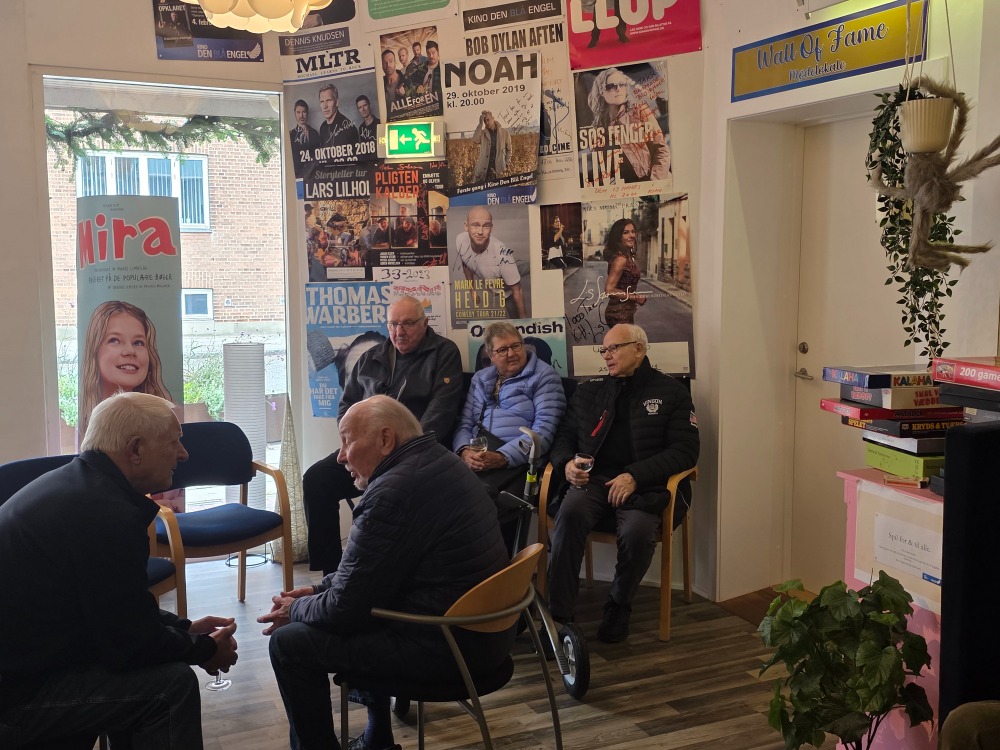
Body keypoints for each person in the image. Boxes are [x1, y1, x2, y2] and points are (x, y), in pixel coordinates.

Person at [261, 395, 511, 750]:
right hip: (484, 636)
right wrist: (317, 590)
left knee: (289, 643)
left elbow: (344, 609)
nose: (340, 456)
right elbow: (374, 569)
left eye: (347, 441)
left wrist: (295, 609)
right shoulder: (439, 461)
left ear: (385, 439)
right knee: (365, 604)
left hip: (451, 649)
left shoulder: (393, 492)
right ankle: (377, 738)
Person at [0, 392, 238, 748]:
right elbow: (128, 644)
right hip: (17, 701)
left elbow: (115, 609)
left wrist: (184, 629)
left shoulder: (79, 488)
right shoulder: (105, 514)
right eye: (174, 442)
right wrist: (204, 649)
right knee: (170, 687)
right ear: (135, 449)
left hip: (25, 671)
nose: (184, 454)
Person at [546, 324, 699, 642]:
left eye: (614, 348)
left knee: (637, 531)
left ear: (639, 349)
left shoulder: (672, 392)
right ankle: (558, 615)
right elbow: (563, 437)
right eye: (604, 350)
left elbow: (686, 451)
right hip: (593, 480)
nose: (606, 355)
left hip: (645, 486)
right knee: (569, 513)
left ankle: (618, 605)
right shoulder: (588, 392)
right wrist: (566, 464)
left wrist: (635, 476)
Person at [302, 295, 463, 575]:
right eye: (393, 324)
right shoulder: (370, 358)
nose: (399, 331)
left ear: (424, 323)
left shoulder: (444, 353)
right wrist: (355, 442)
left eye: (408, 324)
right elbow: (346, 407)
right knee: (316, 480)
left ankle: (386, 574)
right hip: (368, 452)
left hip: (415, 456)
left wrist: (402, 453)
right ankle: (331, 574)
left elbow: (441, 413)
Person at [453, 322, 566, 544]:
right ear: (491, 355)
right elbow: (465, 423)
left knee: (476, 497)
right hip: (478, 456)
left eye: (516, 346)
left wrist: (503, 457)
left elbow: (543, 432)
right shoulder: (480, 379)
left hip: (518, 463)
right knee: (440, 489)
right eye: (503, 350)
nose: (512, 354)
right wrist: (464, 451)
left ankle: (489, 560)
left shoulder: (545, 377)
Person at [79, 299, 172, 440]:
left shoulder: (169, 417)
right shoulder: (84, 423)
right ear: (94, 351)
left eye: (138, 342)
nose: (130, 351)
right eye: (114, 340)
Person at [588, 67, 670, 184]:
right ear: (601, 91)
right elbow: (602, 167)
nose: (618, 89)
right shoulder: (597, 129)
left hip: (652, 181)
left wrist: (654, 182)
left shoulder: (640, 111)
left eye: (622, 85)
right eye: (611, 86)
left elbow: (661, 149)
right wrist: (606, 181)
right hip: (624, 189)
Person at [453, 206, 528, 319]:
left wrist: (525, 321)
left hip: (507, 290)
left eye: (486, 226)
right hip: (499, 273)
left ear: (491, 228)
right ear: (466, 226)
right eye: (475, 225)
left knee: (526, 267)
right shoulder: (460, 240)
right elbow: (466, 264)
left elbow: (517, 290)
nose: (480, 232)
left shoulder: (503, 255)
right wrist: (472, 290)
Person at [603, 217, 647, 326]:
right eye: (626, 232)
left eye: (633, 231)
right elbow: (609, 290)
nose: (631, 235)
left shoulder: (627, 257)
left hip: (625, 312)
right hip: (619, 314)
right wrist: (635, 297)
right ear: (618, 237)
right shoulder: (621, 259)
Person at [318, 83, 360, 159]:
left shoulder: (349, 128)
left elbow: (356, 161)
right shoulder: (322, 127)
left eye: (329, 100)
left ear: (337, 102)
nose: (325, 106)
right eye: (322, 102)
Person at [472, 110, 512, 183]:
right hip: (485, 170)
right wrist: (480, 124)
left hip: (499, 169)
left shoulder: (504, 132)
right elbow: (475, 140)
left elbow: (509, 149)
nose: (486, 123)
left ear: (493, 118)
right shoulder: (482, 133)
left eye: (488, 120)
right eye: (484, 121)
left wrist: (506, 164)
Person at [290, 99, 319, 178]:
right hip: (296, 176)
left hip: (313, 176)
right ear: (294, 113)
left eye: (304, 112)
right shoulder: (290, 135)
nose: (301, 116)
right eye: (298, 112)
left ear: (307, 113)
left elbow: (318, 156)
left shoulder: (315, 133)